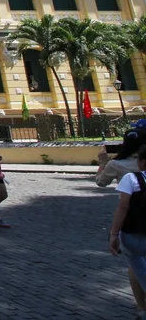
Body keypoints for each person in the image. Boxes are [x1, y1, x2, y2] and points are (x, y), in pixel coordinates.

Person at [97, 130, 146, 314]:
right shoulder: (140, 160)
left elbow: (101, 183)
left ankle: (142, 306)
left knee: (135, 264)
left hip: (132, 221)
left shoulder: (117, 164)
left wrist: (102, 164)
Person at [109, 145, 146, 320]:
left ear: (142, 163)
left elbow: (123, 208)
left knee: (138, 267)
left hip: (134, 234)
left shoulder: (131, 179)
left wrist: (113, 234)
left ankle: (143, 308)